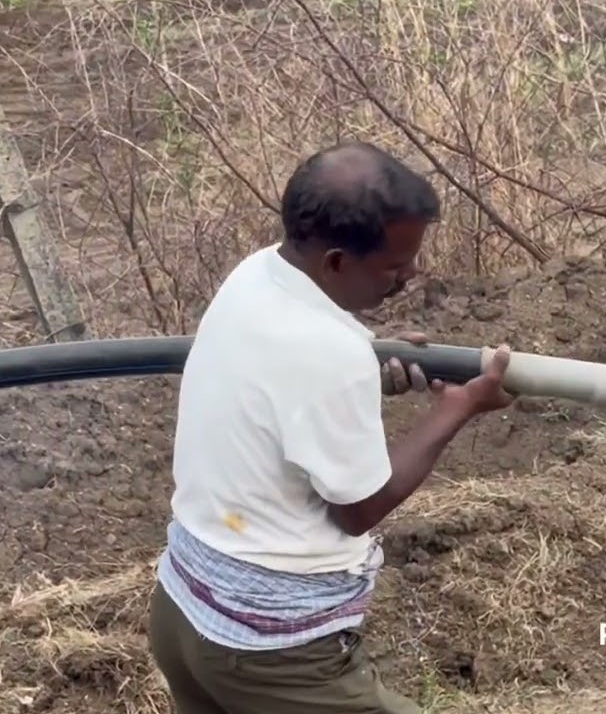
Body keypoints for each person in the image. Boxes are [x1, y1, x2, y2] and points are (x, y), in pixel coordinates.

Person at [147, 141, 516, 714]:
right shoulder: (328, 352)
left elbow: (289, 371)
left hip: (184, 611)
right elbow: (357, 509)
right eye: (395, 266)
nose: (411, 275)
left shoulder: (255, 274)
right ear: (337, 262)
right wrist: (458, 409)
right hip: (270, 650)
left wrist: (363, 351)